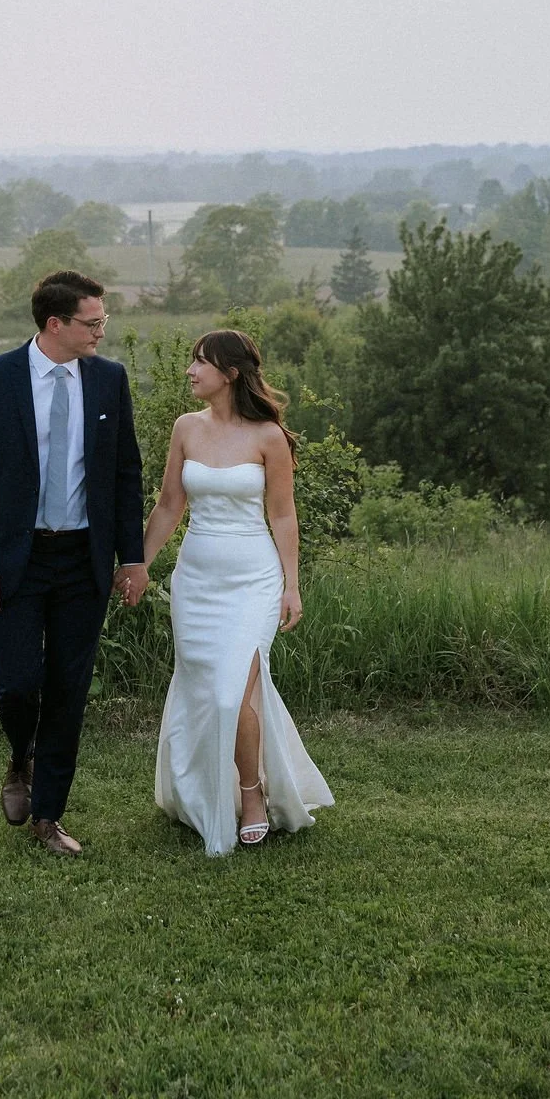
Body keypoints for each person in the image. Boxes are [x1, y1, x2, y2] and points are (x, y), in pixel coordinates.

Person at [0, 270, 147, 857]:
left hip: (82, 559)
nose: (102, 333)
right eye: (93, 323)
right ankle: (21, 755)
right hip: (16, 559)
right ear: (55, 324)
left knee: (69, 688)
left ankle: (47, 817)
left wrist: (132, 558)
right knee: (17, 684)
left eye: (103, 321)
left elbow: (125, 475)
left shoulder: (110, 381)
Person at [143, 328, 334, 856]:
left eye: (199, 362)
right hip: (196, 579)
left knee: (233, 691)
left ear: (228, 373)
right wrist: (138, 564)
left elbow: (282, 514)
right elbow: (168, 505)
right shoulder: (185, 428)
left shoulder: (268, 436)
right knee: (208, 691)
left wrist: (292, 584)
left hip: (253, 579)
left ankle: (252, 795)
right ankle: (200, 791)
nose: (190, 371)